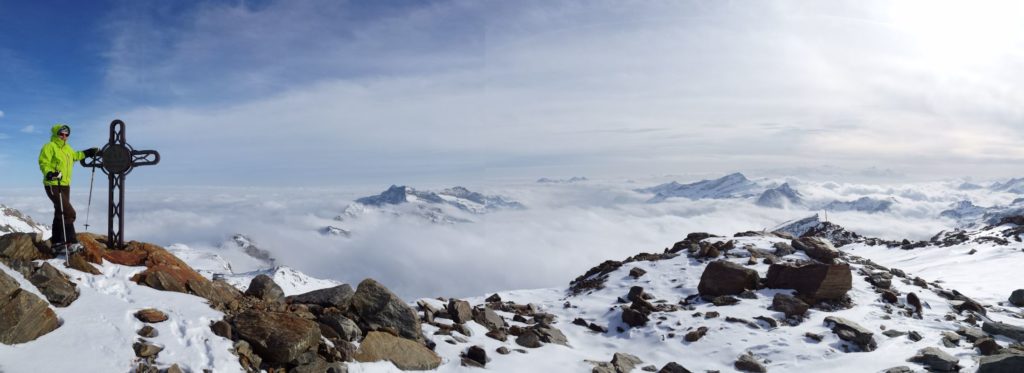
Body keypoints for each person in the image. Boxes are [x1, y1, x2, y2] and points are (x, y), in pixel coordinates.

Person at [38, 124, 99, 254]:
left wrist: (88, 152)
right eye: (61, 134)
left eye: (66, 134)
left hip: (65, 185)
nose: (64, 136)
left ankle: (57, 243)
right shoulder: (49, 146)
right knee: (69, 212)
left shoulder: (67, 149)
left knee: (60, 212)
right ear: (56, 134)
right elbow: (44, 162)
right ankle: (70, 242)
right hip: (53, 184)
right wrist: (50, 173)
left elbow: (75, 156)